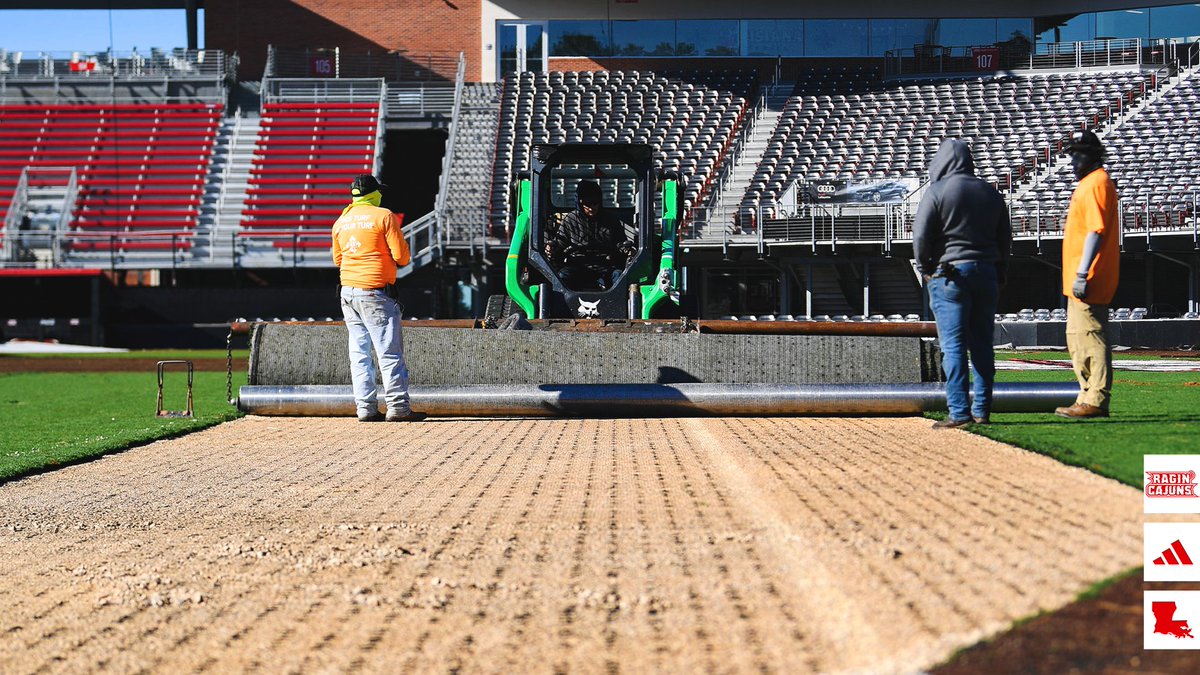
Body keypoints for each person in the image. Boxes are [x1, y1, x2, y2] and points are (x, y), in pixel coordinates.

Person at [913, 138, 1012, 429]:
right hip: (986, 273)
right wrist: (1000, 271)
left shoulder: (938, 191)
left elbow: (921, 236)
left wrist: (925, 268)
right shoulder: (991, 193)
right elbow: (1005, 239)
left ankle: (959, 412)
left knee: (953, 346)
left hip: (950, 275)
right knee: (983, 345)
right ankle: (982, 410)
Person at [331, 174, 424, 423]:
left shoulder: (341, 220)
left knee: (359, 354)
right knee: (389, 352)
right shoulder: (384, 216)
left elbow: (338, 260)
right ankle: (398, 409)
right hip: (375, 292)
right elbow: (402, 257)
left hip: (348, 291)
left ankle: (365, 409)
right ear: (374, 194)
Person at [1055, 129, 1120, 419]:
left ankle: (1095, 398)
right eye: (1073, 155)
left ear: (1092, 156)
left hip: (1089, 277)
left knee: (1090, 337)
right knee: (1078, 338)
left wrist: (1082, 272)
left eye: (1079, 154)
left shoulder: (1097, 182)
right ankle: (1085, 395)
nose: (1074, 161)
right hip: (1077, 279)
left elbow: (1095, 230)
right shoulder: (1089, 183)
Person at [543, 180, 637, 290]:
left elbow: (620, 243)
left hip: (606, 266)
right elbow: (560, 243)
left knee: (619, 276)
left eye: (595, 203)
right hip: (577, 265)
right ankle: (560, 306)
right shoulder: (571, 220)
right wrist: (552, 248)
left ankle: (622, 306)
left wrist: (628, 250)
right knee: (562, 277)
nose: (591, 208)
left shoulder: (610, 220)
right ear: (579, 203)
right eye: (587, 204)